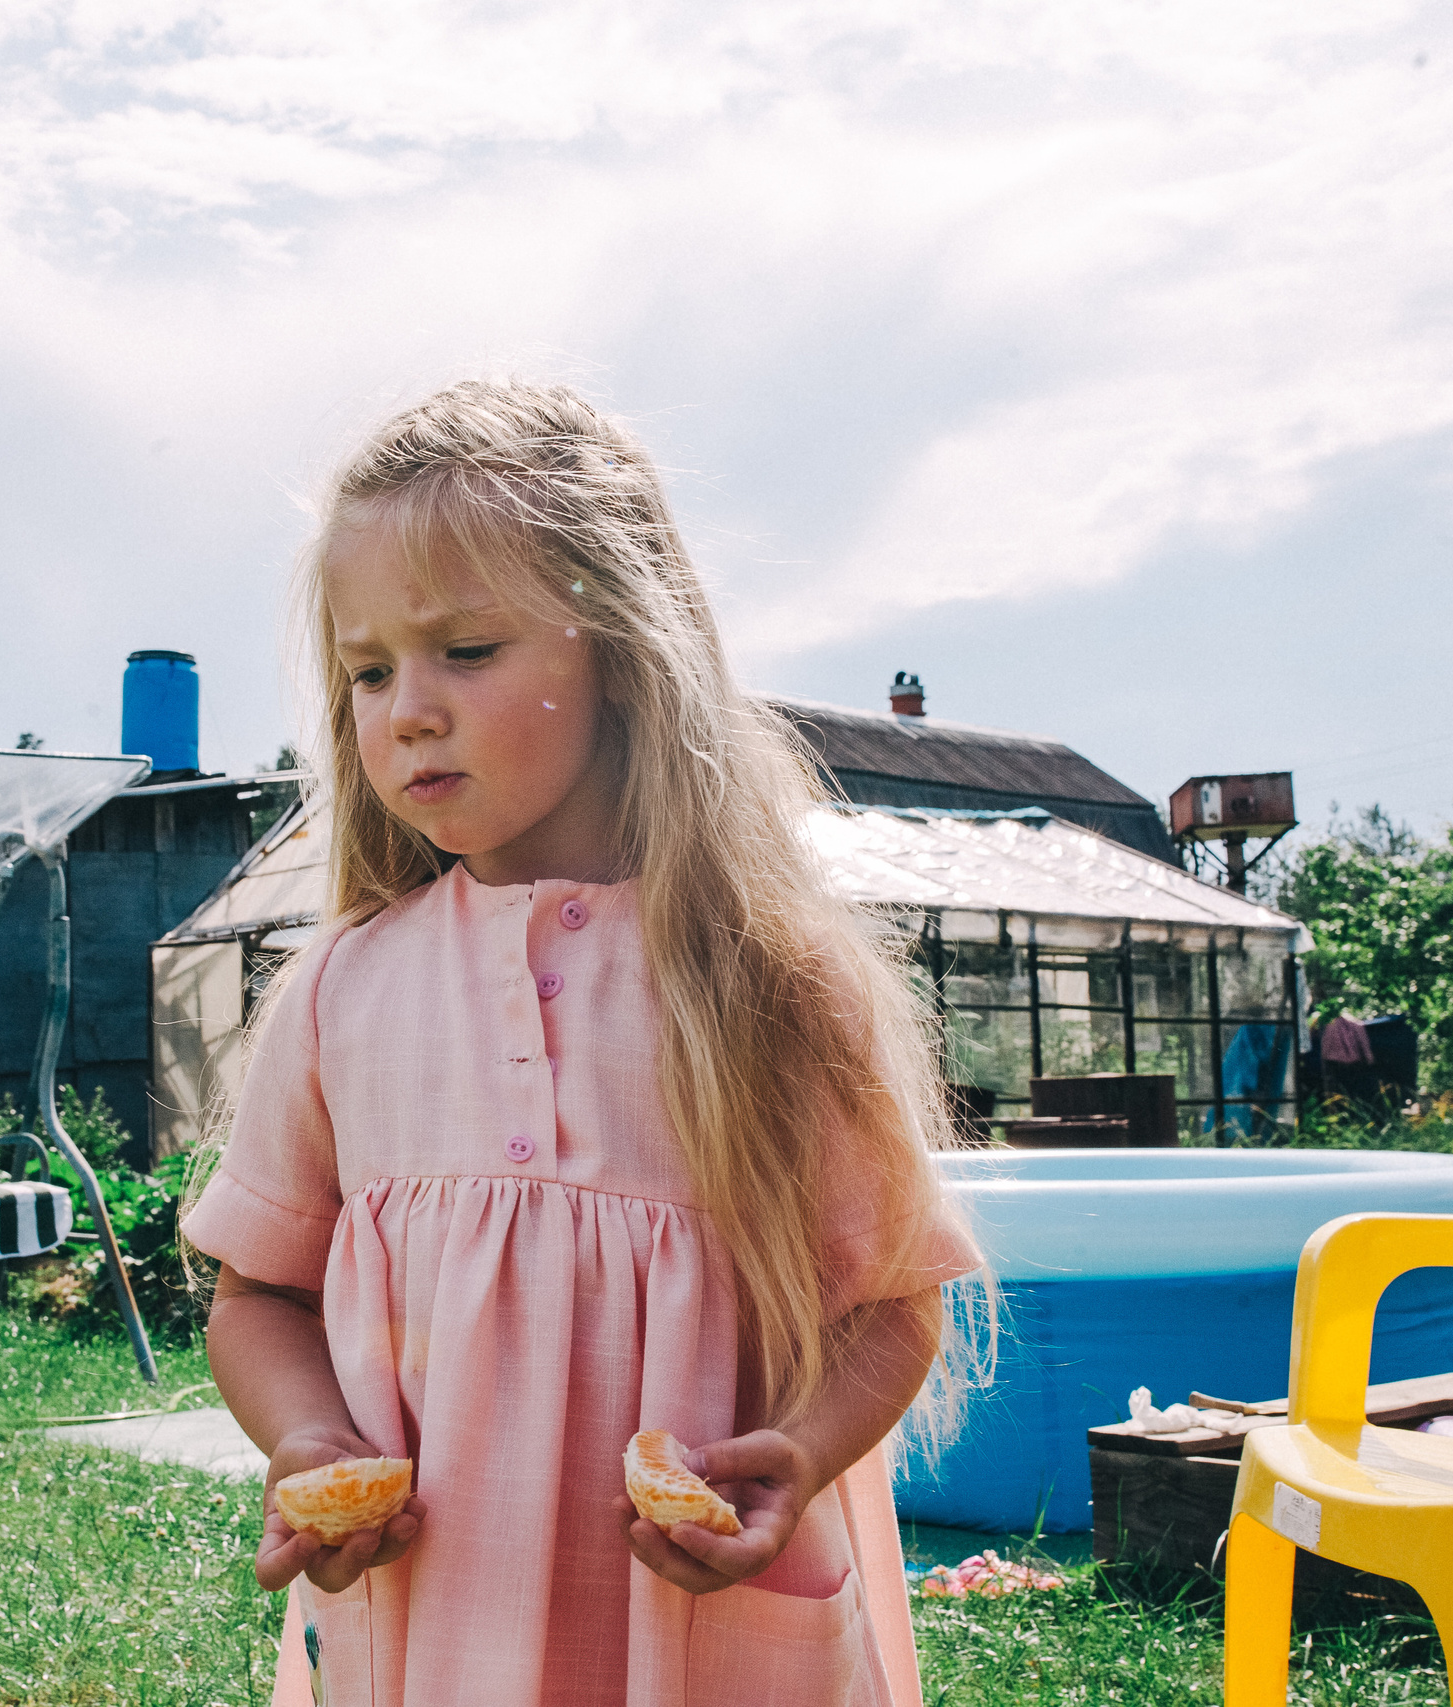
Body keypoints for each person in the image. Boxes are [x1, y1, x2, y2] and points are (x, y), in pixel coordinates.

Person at [182, 378, 986, 1707]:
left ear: (617, 648)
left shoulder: (764, 981)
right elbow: (258, 1297)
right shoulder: (341, 989)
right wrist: (309, 1437)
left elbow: (890, 1305)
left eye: (466, 652)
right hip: (429, 1628)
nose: (407, 708)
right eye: (370, 669)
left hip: (701, 1643)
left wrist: (795, 1451)